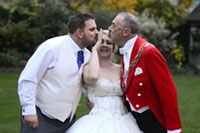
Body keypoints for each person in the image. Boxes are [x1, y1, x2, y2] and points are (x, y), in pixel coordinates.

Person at [17, 13, 98, 133]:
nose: (97, 32)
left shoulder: (88, 55)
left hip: (68, 120)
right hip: (40, 117)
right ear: (80, 33)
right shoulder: (51, 48)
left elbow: (83, 82)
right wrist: (28, 110)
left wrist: (92, 99)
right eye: (92, 29)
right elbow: (28, 78)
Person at [108, 12, 182, 133]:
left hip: (154, 121)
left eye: (114, 25)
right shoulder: (126, 51)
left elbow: (168, 93)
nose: (110, 29)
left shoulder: (149, 53)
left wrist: (174, 129)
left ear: (126, 32)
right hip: (136, 120)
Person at [66, 30, 142, 133]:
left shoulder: (122, 69)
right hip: (96, 122)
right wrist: (94, 50)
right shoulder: (87, 68)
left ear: (114, 47)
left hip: (123, 122)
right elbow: (92, 77)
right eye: (101, 42)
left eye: (109, 43)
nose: (104, 45)